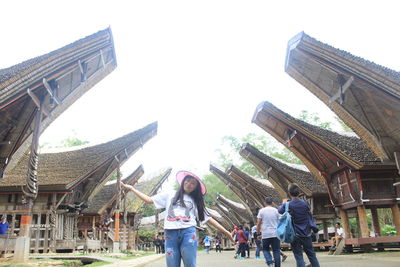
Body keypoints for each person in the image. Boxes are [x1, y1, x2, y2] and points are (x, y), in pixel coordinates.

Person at [121, 170, 234, 267]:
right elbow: (149, 200)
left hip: (188, 233)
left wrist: (226, 232)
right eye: (188, 180)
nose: (189, 184)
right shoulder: (170, 194)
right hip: (170, 234)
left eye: (193, 183)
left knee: (190, 264)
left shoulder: (196, 201)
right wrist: (132, 188)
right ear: (183, 180)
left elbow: (208, 219)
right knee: (171, 264)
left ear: (196, 188)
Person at [278, 183, 320, 267]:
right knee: (312, 255)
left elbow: (279, 210)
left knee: (298, 256)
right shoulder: (305, 203)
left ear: (289, 193)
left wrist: (284, 203)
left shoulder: (288, 205)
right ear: (299, 192)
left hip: (295, 234)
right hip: (306, 233)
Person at [257, 197, 281, 267]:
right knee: (276, 251)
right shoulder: (276, 210)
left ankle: (269, 263)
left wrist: (258, 232)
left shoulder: (261, 211)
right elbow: (280, 221)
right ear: (272, 203)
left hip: (265, 234)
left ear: (265, 203)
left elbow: (258, 223)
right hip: (275, 233)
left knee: (265, 249)